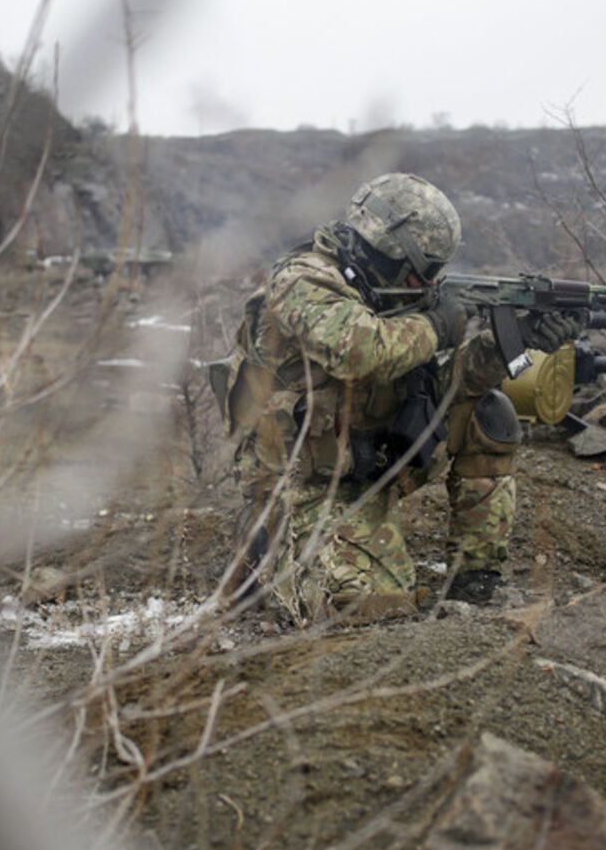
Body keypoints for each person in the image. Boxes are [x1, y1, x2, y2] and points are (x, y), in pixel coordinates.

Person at [213, 173, 585, 623]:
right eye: (425, 269)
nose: (430, 281)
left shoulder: (395, 291)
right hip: (305, 477)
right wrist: (438, 325)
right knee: (365, 612)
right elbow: (360, 351)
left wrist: (517, 340)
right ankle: (264, 542)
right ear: (388, 251)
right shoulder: (302, 281)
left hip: (375, 450)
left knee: (489, 412)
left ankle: (474, 579)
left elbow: (450, 381)